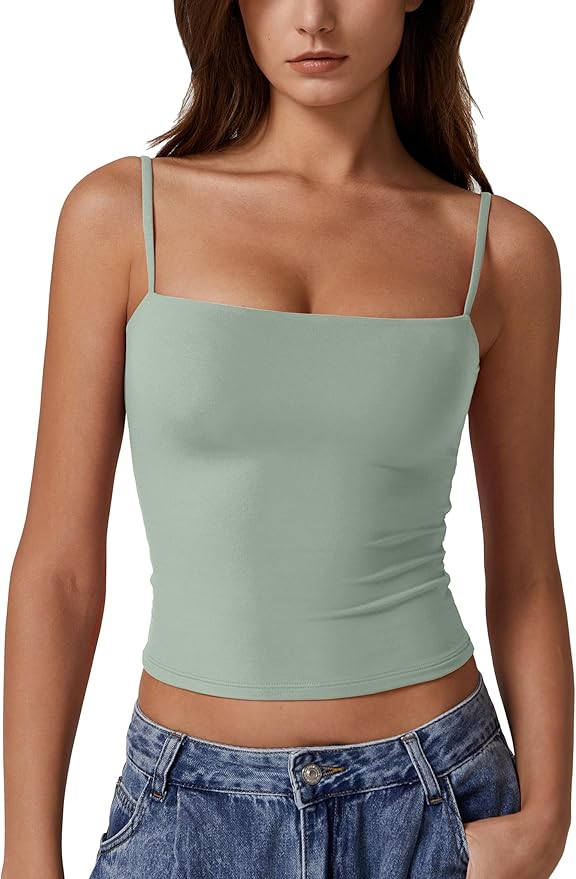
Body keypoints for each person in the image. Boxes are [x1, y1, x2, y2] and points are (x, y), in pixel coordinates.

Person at [2, 1, 572, 878]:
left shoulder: (500, 252)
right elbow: (59, 568)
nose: (314, 18)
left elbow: (527, 569)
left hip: (437, 800)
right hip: (186, 809)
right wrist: (25, 853)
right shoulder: (121, 217)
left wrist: (546, 823)